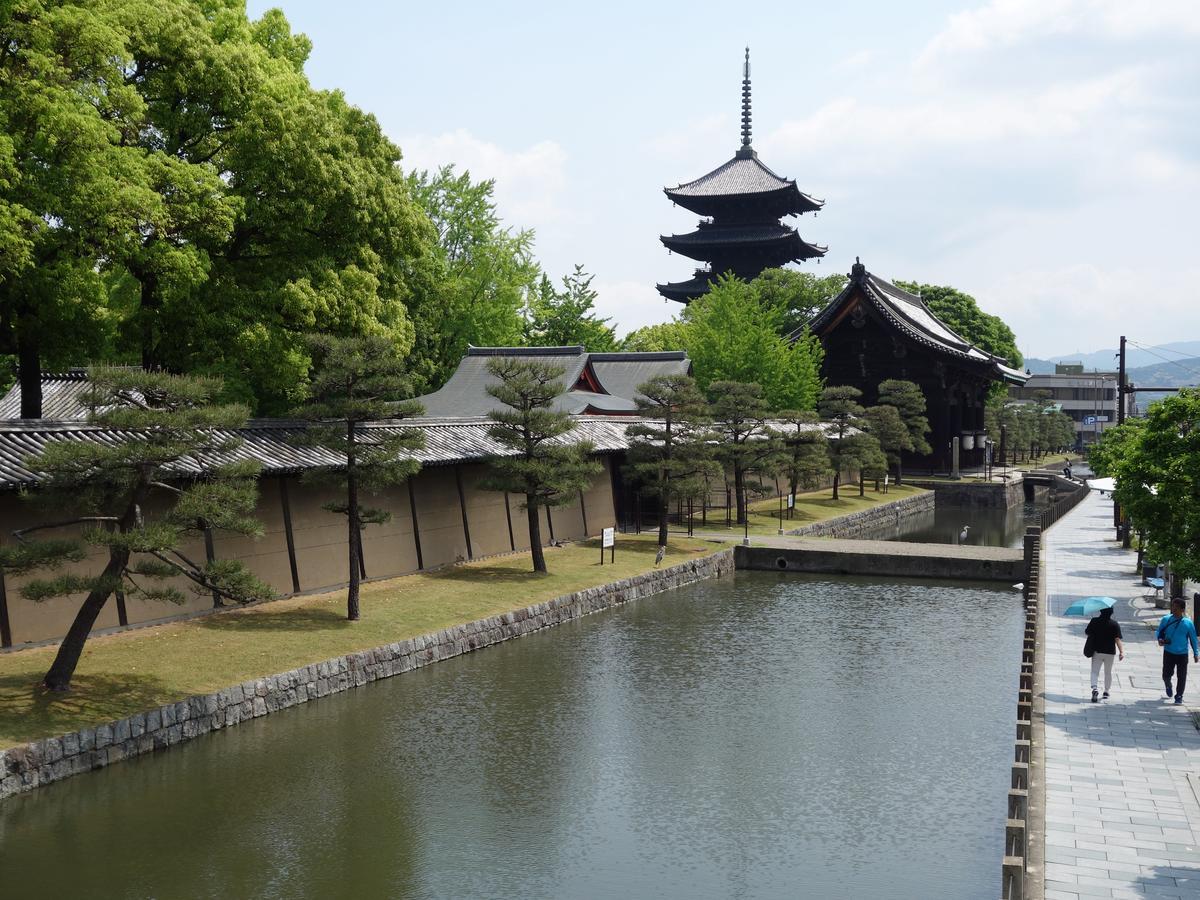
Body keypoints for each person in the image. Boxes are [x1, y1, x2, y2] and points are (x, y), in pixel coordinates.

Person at [1156, 598, 1200, 705]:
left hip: (1182, 654)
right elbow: (1159, 632)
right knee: (1166, 674)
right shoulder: (1166, 619)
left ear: (1182, 610)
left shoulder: (1188, 623)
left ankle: (1179, 695)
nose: (1173, 610)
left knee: (1182, 676)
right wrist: (1160, 640)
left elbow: (1193, 639)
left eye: (1176, 608)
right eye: (1172, 607)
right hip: (1169, 652)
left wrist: (1196, 653)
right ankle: (1168, 684)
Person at [1084, 607, 1124, 702]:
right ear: (1111, 613)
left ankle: (1095, 688)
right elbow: (1117, 639)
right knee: (1108, 672)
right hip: (1110, 652)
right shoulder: (1114, 624)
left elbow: (1087, 632)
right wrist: (1121, 652)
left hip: (1097, 651)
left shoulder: (1094, 621)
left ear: (1100, 611)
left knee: (1094, 671)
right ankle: (1106, 691)